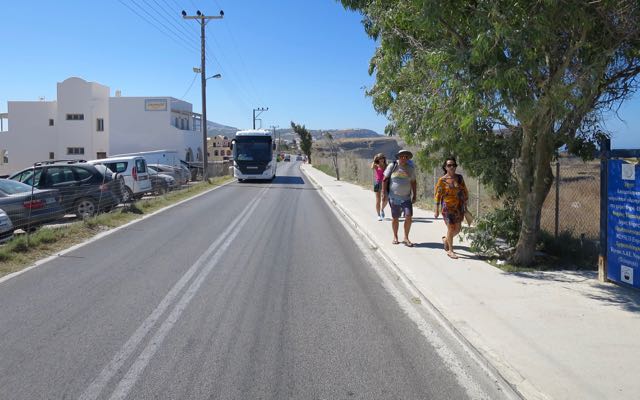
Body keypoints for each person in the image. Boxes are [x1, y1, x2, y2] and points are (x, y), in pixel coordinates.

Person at [434, 157, 468, 259]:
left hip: (458, 207)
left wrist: (465, 203)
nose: (452, 167)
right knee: (451, 228)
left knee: (457, 229)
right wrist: (436, 210)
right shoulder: (442, 180)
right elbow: (437, 195)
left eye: (454, 165)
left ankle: (446, 240)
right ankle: (450, 250)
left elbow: (464, 191)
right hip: (447, 207)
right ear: (445, 167)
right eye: (449, 165)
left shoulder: (459, 178)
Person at [382, 149, 417, 247]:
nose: (404, 158)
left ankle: (406, 237)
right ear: (398, 157)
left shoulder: (410, 168)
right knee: (395, 218)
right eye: (402, 156)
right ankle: (395, 237)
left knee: (409, 217)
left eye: (406, 157)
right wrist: (383, 193)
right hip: (394, 198)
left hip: (406, 198)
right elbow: (384, 179)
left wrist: (415, 195)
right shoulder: (392, 166)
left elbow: (413, 182)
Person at [371, 153, 388, 221]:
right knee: (378, 200)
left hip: (385, 183)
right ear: (378, 159)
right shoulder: (376, 165)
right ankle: (378, 215)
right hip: (377, 183)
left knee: (386, 199)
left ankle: (382, 209)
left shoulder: (387, 165)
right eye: (380, 158)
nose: (381, 159)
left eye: (382, 158)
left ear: (384, 158)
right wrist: (375, 159)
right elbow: (372, 167)